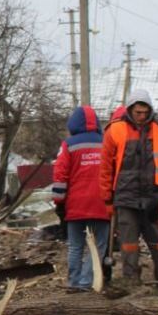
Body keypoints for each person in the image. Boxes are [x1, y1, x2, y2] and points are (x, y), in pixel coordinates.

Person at [100, 88, 158, 283]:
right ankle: (131, 283)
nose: (142, 116)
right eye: (138, 112)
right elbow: (105, 168)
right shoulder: (115, 130)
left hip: (155, 198)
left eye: (145, 113)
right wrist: (107, 200)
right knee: (129, 247)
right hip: (126, 198)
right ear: (130, 109)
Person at [52, 105, 110, 291]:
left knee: (75, 246)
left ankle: (73, 281)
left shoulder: (69, 145)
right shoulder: (106, 142)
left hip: (75, 204)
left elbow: (60, 174)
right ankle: (87, 282)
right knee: (98, 246)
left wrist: (59, 201)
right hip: (101, 203)